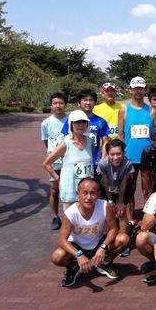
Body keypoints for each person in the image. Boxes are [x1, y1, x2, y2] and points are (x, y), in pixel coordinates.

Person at [50, 178, 127, 287]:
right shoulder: (70, 213)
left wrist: (103, 247)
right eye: (85, 193)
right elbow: (62, 240)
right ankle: (73, 267)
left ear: (98, 195)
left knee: (123, 239)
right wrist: (78, 255)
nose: (89, 197)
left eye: (93, 193)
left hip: (98, 243)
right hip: (78, 246)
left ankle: (105, 262)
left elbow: (114, 229)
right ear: (78, 195)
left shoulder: (105, 206)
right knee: (57, 256)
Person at [44, 110, 94, 210]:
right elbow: (47, 163)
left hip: (86, 188)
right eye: (77, 122)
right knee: (70, 217)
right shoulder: (65, 143)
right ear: (71, 124)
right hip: (70, 188)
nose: (81, 125)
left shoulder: (90, 141)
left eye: (83, 122)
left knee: (86, 216)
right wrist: (58, 179)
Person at [118, 76, 152, 219]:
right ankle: (130, 220)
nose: (138, 91)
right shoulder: (124, 109)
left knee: (148, 189)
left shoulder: (151, 110)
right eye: (135, 88)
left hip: (147, 156)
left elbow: (155, 134)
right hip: (129, 157)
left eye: (141, 88)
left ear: (145, 90)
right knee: (129, 190)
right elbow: (120, 134)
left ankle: (149, 218)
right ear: (130, 90)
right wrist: (122, 154)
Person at [96, 139, 136, 257]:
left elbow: (124, 183)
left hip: (124, 188)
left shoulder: (128, 164)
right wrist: (110, 200)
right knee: (109, 212)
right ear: (108, 154)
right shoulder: (103, 164)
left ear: (123, 153)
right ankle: (110, 240)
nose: (115, 157)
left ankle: (123, 242)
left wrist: (120, 202)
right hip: (107, 188)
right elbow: (105, 182)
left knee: (121, 212)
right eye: (112, 154)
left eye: (118, 154)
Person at [60, 89, 110, 176]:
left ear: (95, 103)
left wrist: (102, 160)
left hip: (95, 163)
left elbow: (105, 142)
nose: (88, 103)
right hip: (75, 162)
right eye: (85, 100)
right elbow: (65, 139)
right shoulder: (71, 120)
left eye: (91, 100)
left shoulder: (101, 121)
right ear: (79, 103)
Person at [41, 92, 67, 230]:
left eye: (61, 103)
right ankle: (55, 217)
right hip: (55, 163)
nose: (58, 106)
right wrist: (53, 155)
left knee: (72, 191)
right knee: (54, 190)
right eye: (55, 103)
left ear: (65, 105)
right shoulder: (46, 123)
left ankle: (71, 217)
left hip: (69, 161)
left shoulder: (71, 121)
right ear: (51, 105)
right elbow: (46, 142)